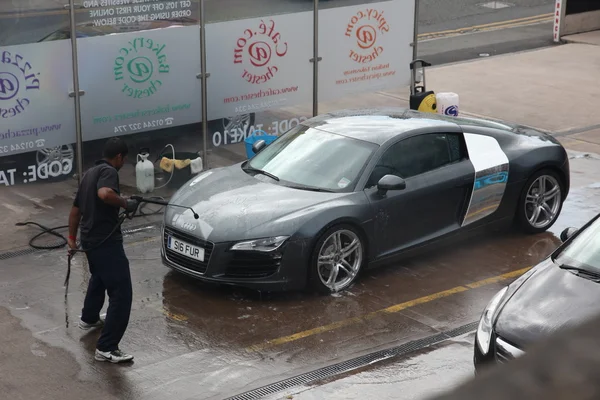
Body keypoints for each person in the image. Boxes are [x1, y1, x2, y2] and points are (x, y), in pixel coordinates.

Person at [67, 137, 140, 363]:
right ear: (119, 157)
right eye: (124, 159)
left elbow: (75, 211)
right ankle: (107, 348)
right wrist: (126, 203)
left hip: (90, 241)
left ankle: (89, 318)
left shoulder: (89, 173)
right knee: (122, 293)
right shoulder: (109, 172)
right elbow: (105, 194)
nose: (123, 163)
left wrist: (72, 238)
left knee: (99, 277)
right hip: (105, 242)